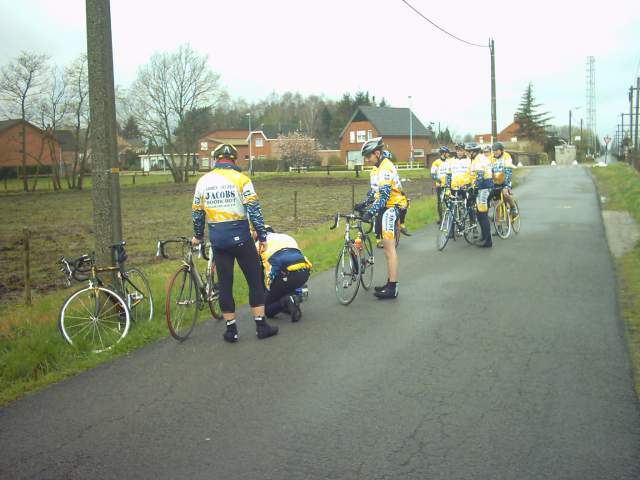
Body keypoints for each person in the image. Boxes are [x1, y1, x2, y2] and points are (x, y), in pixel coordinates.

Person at [192, 143, 278, 343]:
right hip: (242, 238)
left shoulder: (203, 181)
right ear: (234, 159)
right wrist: (263, 236)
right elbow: (254, 210)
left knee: (225, 284)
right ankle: (261, 326)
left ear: (215, 159)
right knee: (255, 280)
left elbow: (197, 213)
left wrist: (198, 235)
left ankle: (231, 331)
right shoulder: (242, 179)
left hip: (218, 240)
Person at [360, 137, 404, 299]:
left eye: (368, 156)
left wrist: (370, 212)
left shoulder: (386, 167)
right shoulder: (376, 168)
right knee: (386, 249)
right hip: (384, 207)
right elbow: (374, 193)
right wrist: (363, 204)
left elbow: (384, 196)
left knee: (389, 249)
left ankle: (393, 288)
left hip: (392, 207)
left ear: (377, 153)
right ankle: (390, 282)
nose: (366, 160)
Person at [254, 226, 312, 323]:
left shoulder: (258, 244)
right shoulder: (287, 237)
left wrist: (264, 295)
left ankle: (287, 300)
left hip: (283, 276)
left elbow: (258, 274)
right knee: (284, 288)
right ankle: (293, 299)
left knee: (267, 310)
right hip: (304, 273)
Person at [469, 143, 494, 248]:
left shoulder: (480, 160)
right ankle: (483, 236)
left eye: (469, 151)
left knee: (482, 214)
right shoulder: (478, 159)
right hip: (484, 187)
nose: (468, 153)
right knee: (479, 213)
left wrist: (474, 189)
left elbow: (480, 176)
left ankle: (488, 240)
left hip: (484, 188)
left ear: (474, 152)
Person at [491, 142, 517, 217]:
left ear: (501, 150)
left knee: (505, 193)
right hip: (496, 181)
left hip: (506, 179)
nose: (495, 152)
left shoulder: (506, 156)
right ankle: (498, 224)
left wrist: (506, 184)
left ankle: (513, 207)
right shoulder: (492, 158)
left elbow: (508, 171)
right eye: (494, 150)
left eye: (497, 150)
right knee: (496, 202)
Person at [431, 146, 450, 224]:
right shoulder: (436, 162)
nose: (448, 154)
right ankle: (441, 218)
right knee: (440, 202)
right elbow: (433, 173)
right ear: (443, 153)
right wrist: (438, 181)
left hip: (448, 185)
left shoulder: (449, 161)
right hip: (439, 185)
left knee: (448, 201)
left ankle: (451, 217)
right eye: (447, 153)